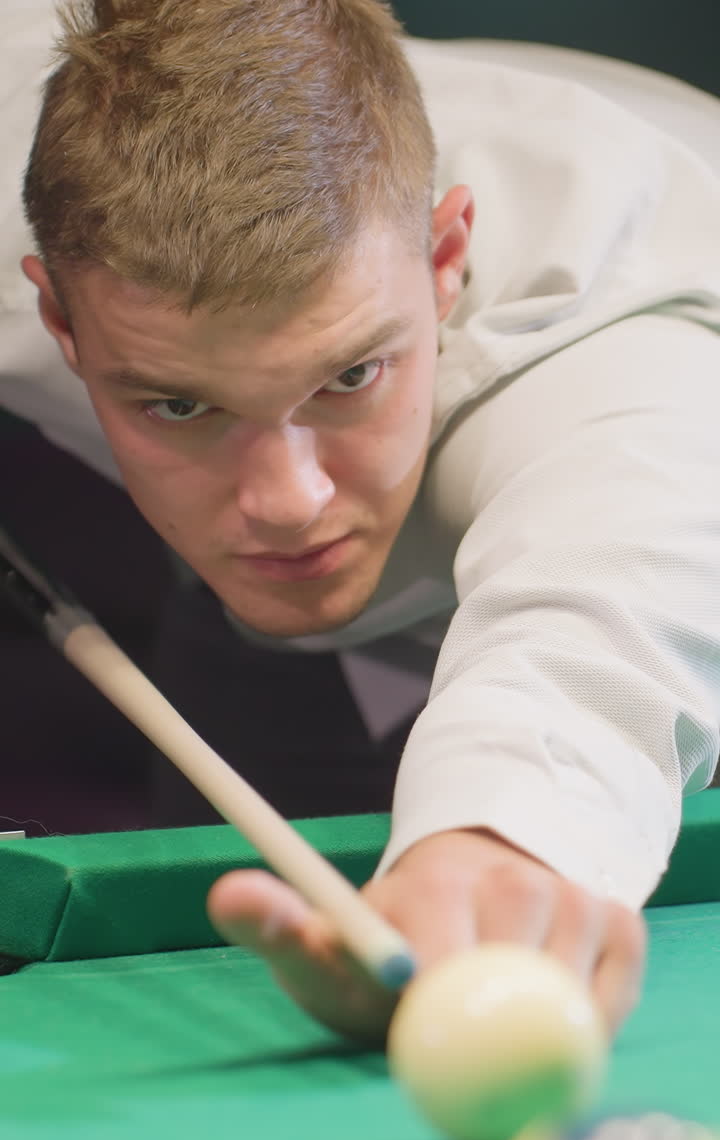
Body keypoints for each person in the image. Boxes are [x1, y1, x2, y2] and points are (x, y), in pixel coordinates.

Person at [4, 0, 720, 1041]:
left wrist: (498, 834)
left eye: (349, 376)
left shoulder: (611, 355)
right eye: (179, 404)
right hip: (268, 630)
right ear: (60, 317)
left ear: (443, 256)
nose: (288, 502)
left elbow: (612, 610)